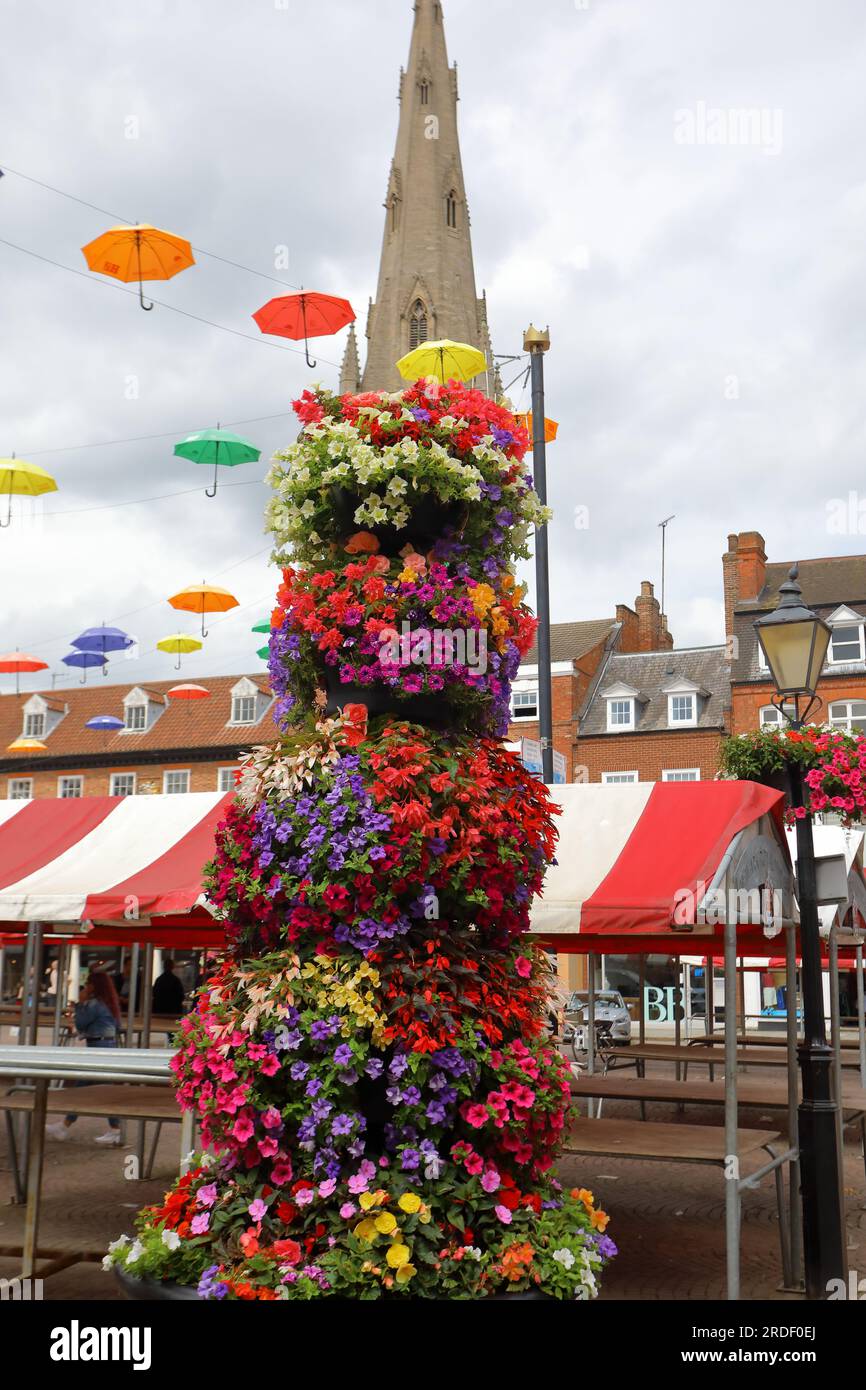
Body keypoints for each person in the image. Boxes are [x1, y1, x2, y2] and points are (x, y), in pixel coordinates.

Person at [46, 971, 122, 1145]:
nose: (86, 986)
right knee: (95, 1088)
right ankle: (65, 1126)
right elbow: (117, 1025)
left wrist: (80, 1003)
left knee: (96, 1090)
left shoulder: (94, 1004)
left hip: (98, 1049)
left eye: (88, 983)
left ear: (94, 985)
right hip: (107, 1046)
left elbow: (80, 1023)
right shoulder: (109, 1002)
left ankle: (114, 1130)